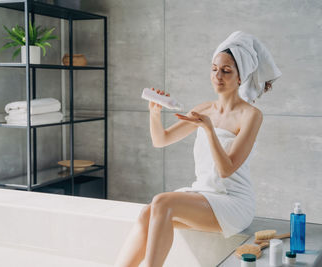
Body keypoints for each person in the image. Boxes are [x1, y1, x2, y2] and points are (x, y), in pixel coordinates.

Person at [114, 31, 281, 267]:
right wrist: (154, 112)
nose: (217, 76)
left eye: (226, 71)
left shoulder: (251, 115)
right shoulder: (204, 108)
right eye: (214, 69)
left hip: (233, 202)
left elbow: (226, 169)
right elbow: (161, 140)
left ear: (240, 77)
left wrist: (210, 130)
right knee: (146, 213)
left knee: (162, 202)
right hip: (203, 194)